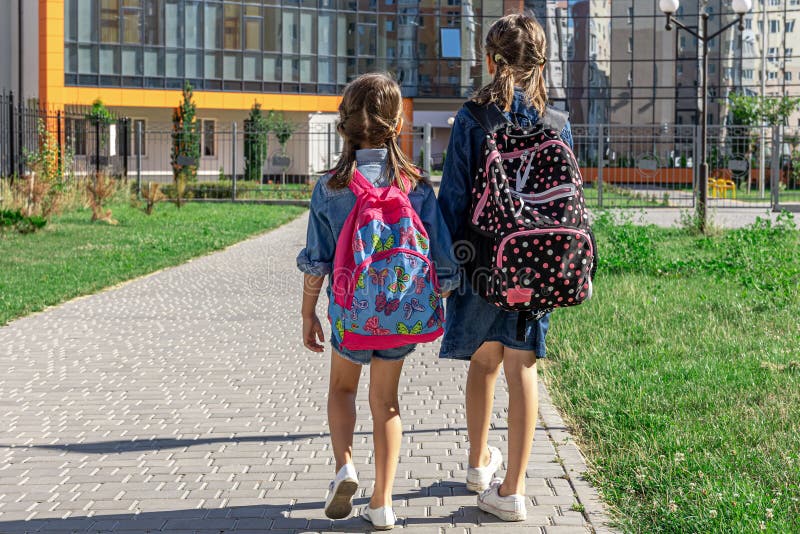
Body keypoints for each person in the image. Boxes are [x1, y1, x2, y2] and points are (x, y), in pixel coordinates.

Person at [297, 73, 460, 530]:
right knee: (386, 402)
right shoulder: (416, 186)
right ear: (397, 124)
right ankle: (383, 502)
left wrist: (309, 311)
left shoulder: (330, 186)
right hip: (399, 316)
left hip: (351, 315)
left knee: (342, 389)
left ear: (344, 126)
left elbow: (317, 261)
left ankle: (344, 467)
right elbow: (443, 262)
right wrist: (432, 294)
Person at [437, 13, 575, 522]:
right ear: (541, 63)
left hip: (480, 263)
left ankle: (478, 465)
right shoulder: (557, 124)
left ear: (491, 60)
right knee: (523, 368)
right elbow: (565, 207)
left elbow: (450, 198)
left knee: (483, 360)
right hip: (534, 268)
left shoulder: (473, 118)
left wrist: (446, 272)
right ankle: (512, 488)